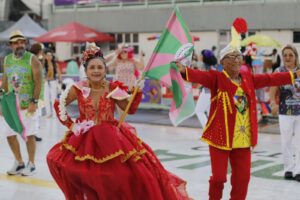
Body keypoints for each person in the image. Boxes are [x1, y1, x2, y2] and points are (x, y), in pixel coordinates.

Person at [46, 46, 190, 200]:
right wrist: (72, 125)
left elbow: (129, 109)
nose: (96, 71)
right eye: (92, 67)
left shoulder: (113, 87)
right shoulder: (78, 88)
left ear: (105, 70)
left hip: (110, 139)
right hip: (84, 140)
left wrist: (137, 92)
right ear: (86, 70)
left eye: (100, 67)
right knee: (78, 171)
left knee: (119, 175)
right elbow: (59, 103)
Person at [177, 42, 300, 200]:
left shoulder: (248, 78)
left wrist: (294, 75)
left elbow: (270, 78)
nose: (236, 60)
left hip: (243, 140)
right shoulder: (217, 78)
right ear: (222, 63)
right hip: (220, 138)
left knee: (242, 180)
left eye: (238, 57)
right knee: (219, 178)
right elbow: (199, 75)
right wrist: (183, 70)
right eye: (231, 57)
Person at [1, 30, 43, 176]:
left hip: (28, 104)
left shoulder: (32, 59)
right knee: (9, 134)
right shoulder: (7, 60)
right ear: (11, 45)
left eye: (22, 41)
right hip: (12, 104)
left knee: (29, 135)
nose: (20, 44)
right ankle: (19, 162)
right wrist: (1, 101)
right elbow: (5, 81)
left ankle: (31, 164)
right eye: (16, 42)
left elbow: (39, 81)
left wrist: (34, 101)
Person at [270, 45, 300, 182]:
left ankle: (298, 170)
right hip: (284, 112)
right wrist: (272, 103)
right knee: (286, 142)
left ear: (296, 57)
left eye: (290, 55)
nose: (287, 58)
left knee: (299, 143)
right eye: (285, 55)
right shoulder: (279, 71)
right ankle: (288, 169)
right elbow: (273, 89)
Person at [195, 49, 217, 129]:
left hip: (207, 92)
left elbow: (202, 80)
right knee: (209, 112)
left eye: (201, 55)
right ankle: (213, 132)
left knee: (199, 111)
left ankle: (207, 132)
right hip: (212, 92)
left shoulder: (205, 68)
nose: (200, 56)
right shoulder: (213, 67)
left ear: (204, 57)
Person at [29, 43, 45, 142]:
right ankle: (33, 134)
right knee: (35, 115)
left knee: (35, 114)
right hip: (35, 92)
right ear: (39, 51)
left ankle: (33, 133)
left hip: (37, 91)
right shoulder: (33, 61)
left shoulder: (32, 60)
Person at [43, 48, 61, 117]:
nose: (49, 57)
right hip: (46, 82)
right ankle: (48, 113)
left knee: (53, 98)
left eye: (50, 55)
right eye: (47, 55)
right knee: (46, 98)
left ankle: (54, 113)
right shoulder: (44, 64)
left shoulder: (55, 64)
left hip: (53, 82)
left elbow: (59, 73)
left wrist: (60, 81)